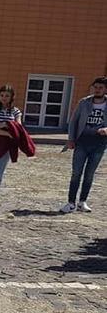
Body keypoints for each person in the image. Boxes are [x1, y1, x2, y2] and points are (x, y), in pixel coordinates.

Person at [61, 76, 107, 213]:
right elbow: (74, 121)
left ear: (105, 89)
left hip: (99, 144)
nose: (97, 90)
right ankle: (70, 202)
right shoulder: (84, 102)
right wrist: (70, 139)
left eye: (101, 88)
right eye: (96, 87)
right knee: (76, 173)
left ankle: (82, 202)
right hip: (82, 143)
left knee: (89, 174)